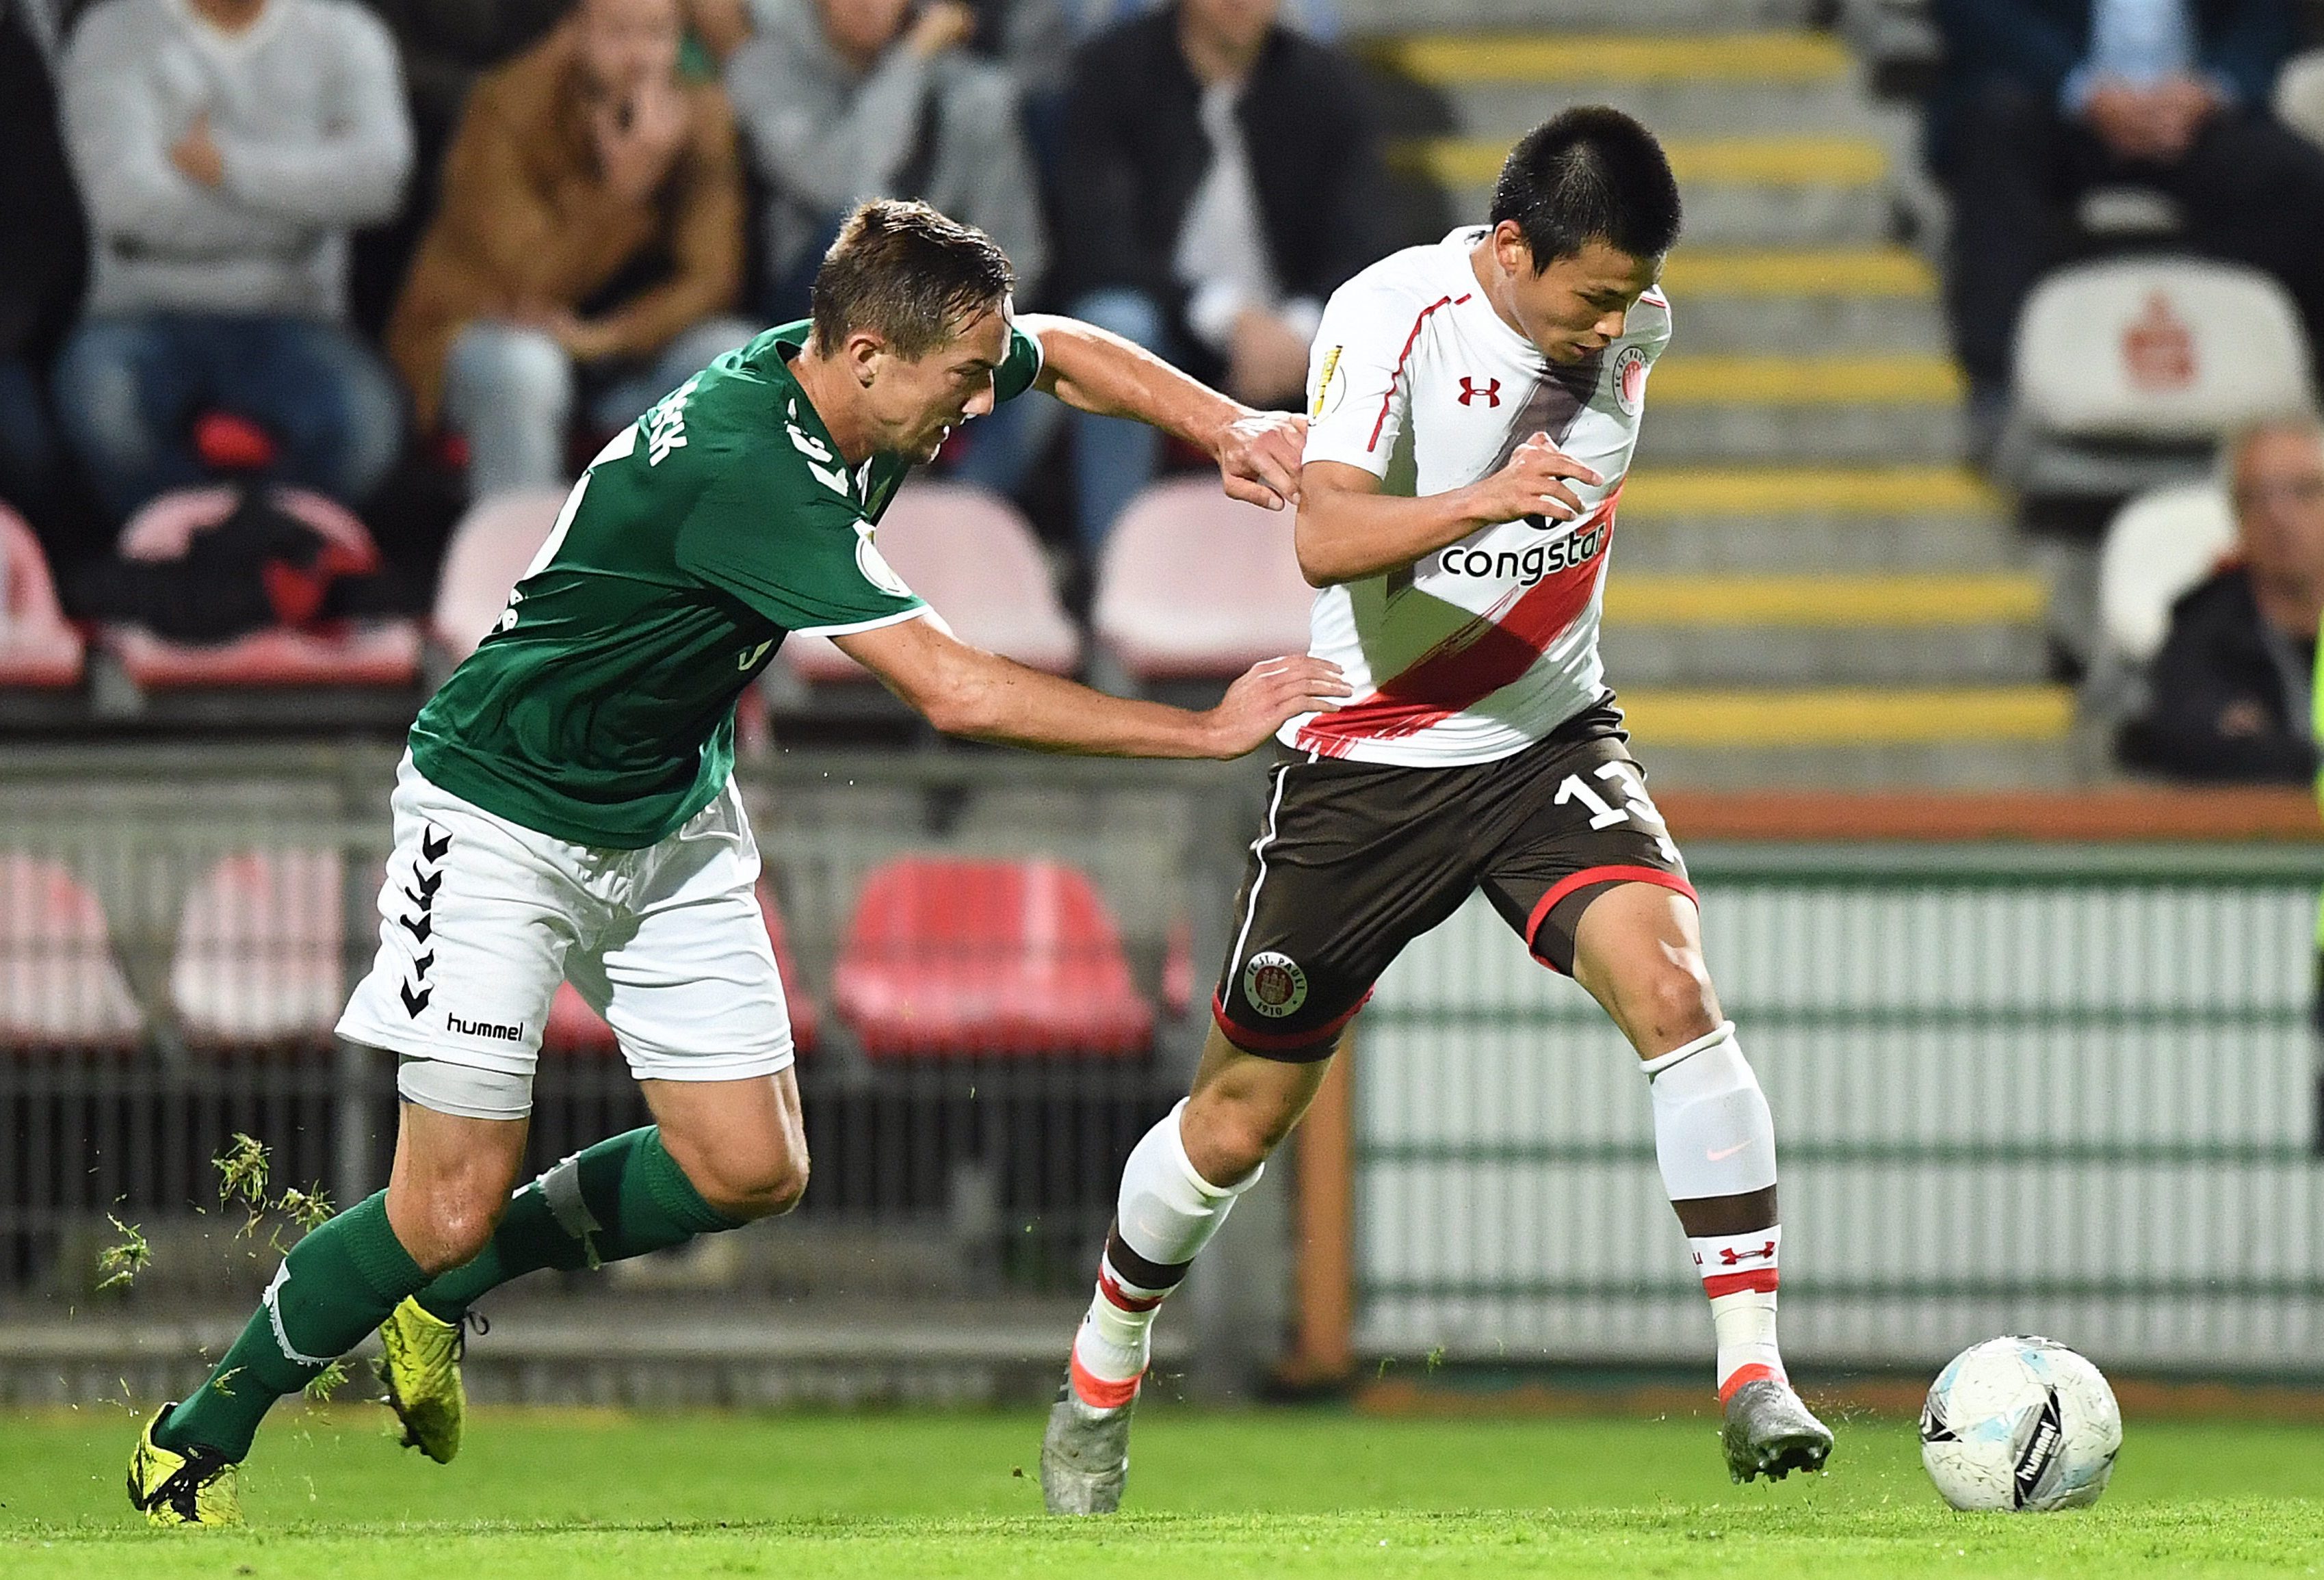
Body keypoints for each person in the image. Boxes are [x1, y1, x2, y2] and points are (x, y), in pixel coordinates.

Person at [125, 198, 1347, 1528]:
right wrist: (1202, 731)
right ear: (870, 356)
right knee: (446, 1202)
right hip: (498, 817)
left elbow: (1053, 345)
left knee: (747, 1168)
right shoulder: (750, 469)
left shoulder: (850, 377)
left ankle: (445, 1293)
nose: (978, 412)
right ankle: (194, 1437)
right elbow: (955, 691)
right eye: (957, 385)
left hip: (666, 811)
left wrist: (1225, 423)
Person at [1038, 108, 1837, 1517]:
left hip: (1544, 736)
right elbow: (1328, 536)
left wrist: (1515, 478)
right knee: (1232, 1126)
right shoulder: (1392, 312)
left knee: (1672, 989)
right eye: (1589, 297)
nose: (1614, 326)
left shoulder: (1633, 319)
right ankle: (1101, 1369)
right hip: (1370, 757)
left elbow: (1561, 425)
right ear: (1512, 249)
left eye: (1631, 295)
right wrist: (1484, 501)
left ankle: (1753, 1374)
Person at [51, 0, 412, 523]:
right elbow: (128, 209)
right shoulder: (114, 33)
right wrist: (303, 216)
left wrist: (226, 168)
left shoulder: (345, 35)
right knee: (105, 413)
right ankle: (183, 552)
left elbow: (380, 183)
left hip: (299, 317)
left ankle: (278, 551)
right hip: (139, 316)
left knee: (368, 429)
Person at [1052, 0, 1383, 553]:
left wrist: (1301, 330)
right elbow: (1097, 241)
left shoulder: (1326, 83)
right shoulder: (1113, 72)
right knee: (1111, 324)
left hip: (1292, 335)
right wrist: (1226, 317)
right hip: (1167, 325)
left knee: (1383, 332)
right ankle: (1112, 573)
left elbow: (1363, 239)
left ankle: (1355, 579)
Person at [386, 0, 753, 500]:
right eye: (619, 34)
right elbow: (520, 282)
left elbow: (712, 279)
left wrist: (606, 338)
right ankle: (523, 567)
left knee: (733, 355)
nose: (641, 58)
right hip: (487, 332)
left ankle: (681, 565)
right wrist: (620, 196)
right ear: (575, 31)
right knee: (528, 367)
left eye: (658, 34)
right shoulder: (507, 105)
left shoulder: (702, 112)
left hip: (622, 348)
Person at [1927, 0, 2324, 425]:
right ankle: (1996, 386)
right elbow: (1979, 15)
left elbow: (2264, 19)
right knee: (1997, 137)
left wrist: (2210, 88)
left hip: (2193, 115)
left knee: (2296, 178)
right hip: (2052, 100)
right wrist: (2082, 89)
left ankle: (2290, 381)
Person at [2117, 412, 2324, 781]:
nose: (2279, 517)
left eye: (2303, 492)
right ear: (2235, 514)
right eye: (2256, 498)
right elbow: (2192, 740)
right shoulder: (2201, 628)